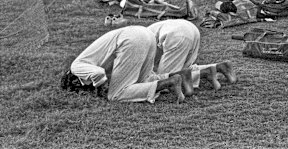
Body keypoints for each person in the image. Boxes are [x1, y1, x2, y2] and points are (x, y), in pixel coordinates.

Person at [64, 26, 194, 103]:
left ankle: (168, 82)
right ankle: (177, 75)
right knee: (143, 80)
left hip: (131, 40)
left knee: (115, 95)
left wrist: (100, 89)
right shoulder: (86, 61)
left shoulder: (76, 67)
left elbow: (98, 74)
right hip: (144, 34)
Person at [147, 19, 236, 91]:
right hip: (189, 28)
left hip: (176, 34)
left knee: (167, 80)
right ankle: (218, 67)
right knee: (181, 71)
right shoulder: (143, 33)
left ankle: (204, 73)